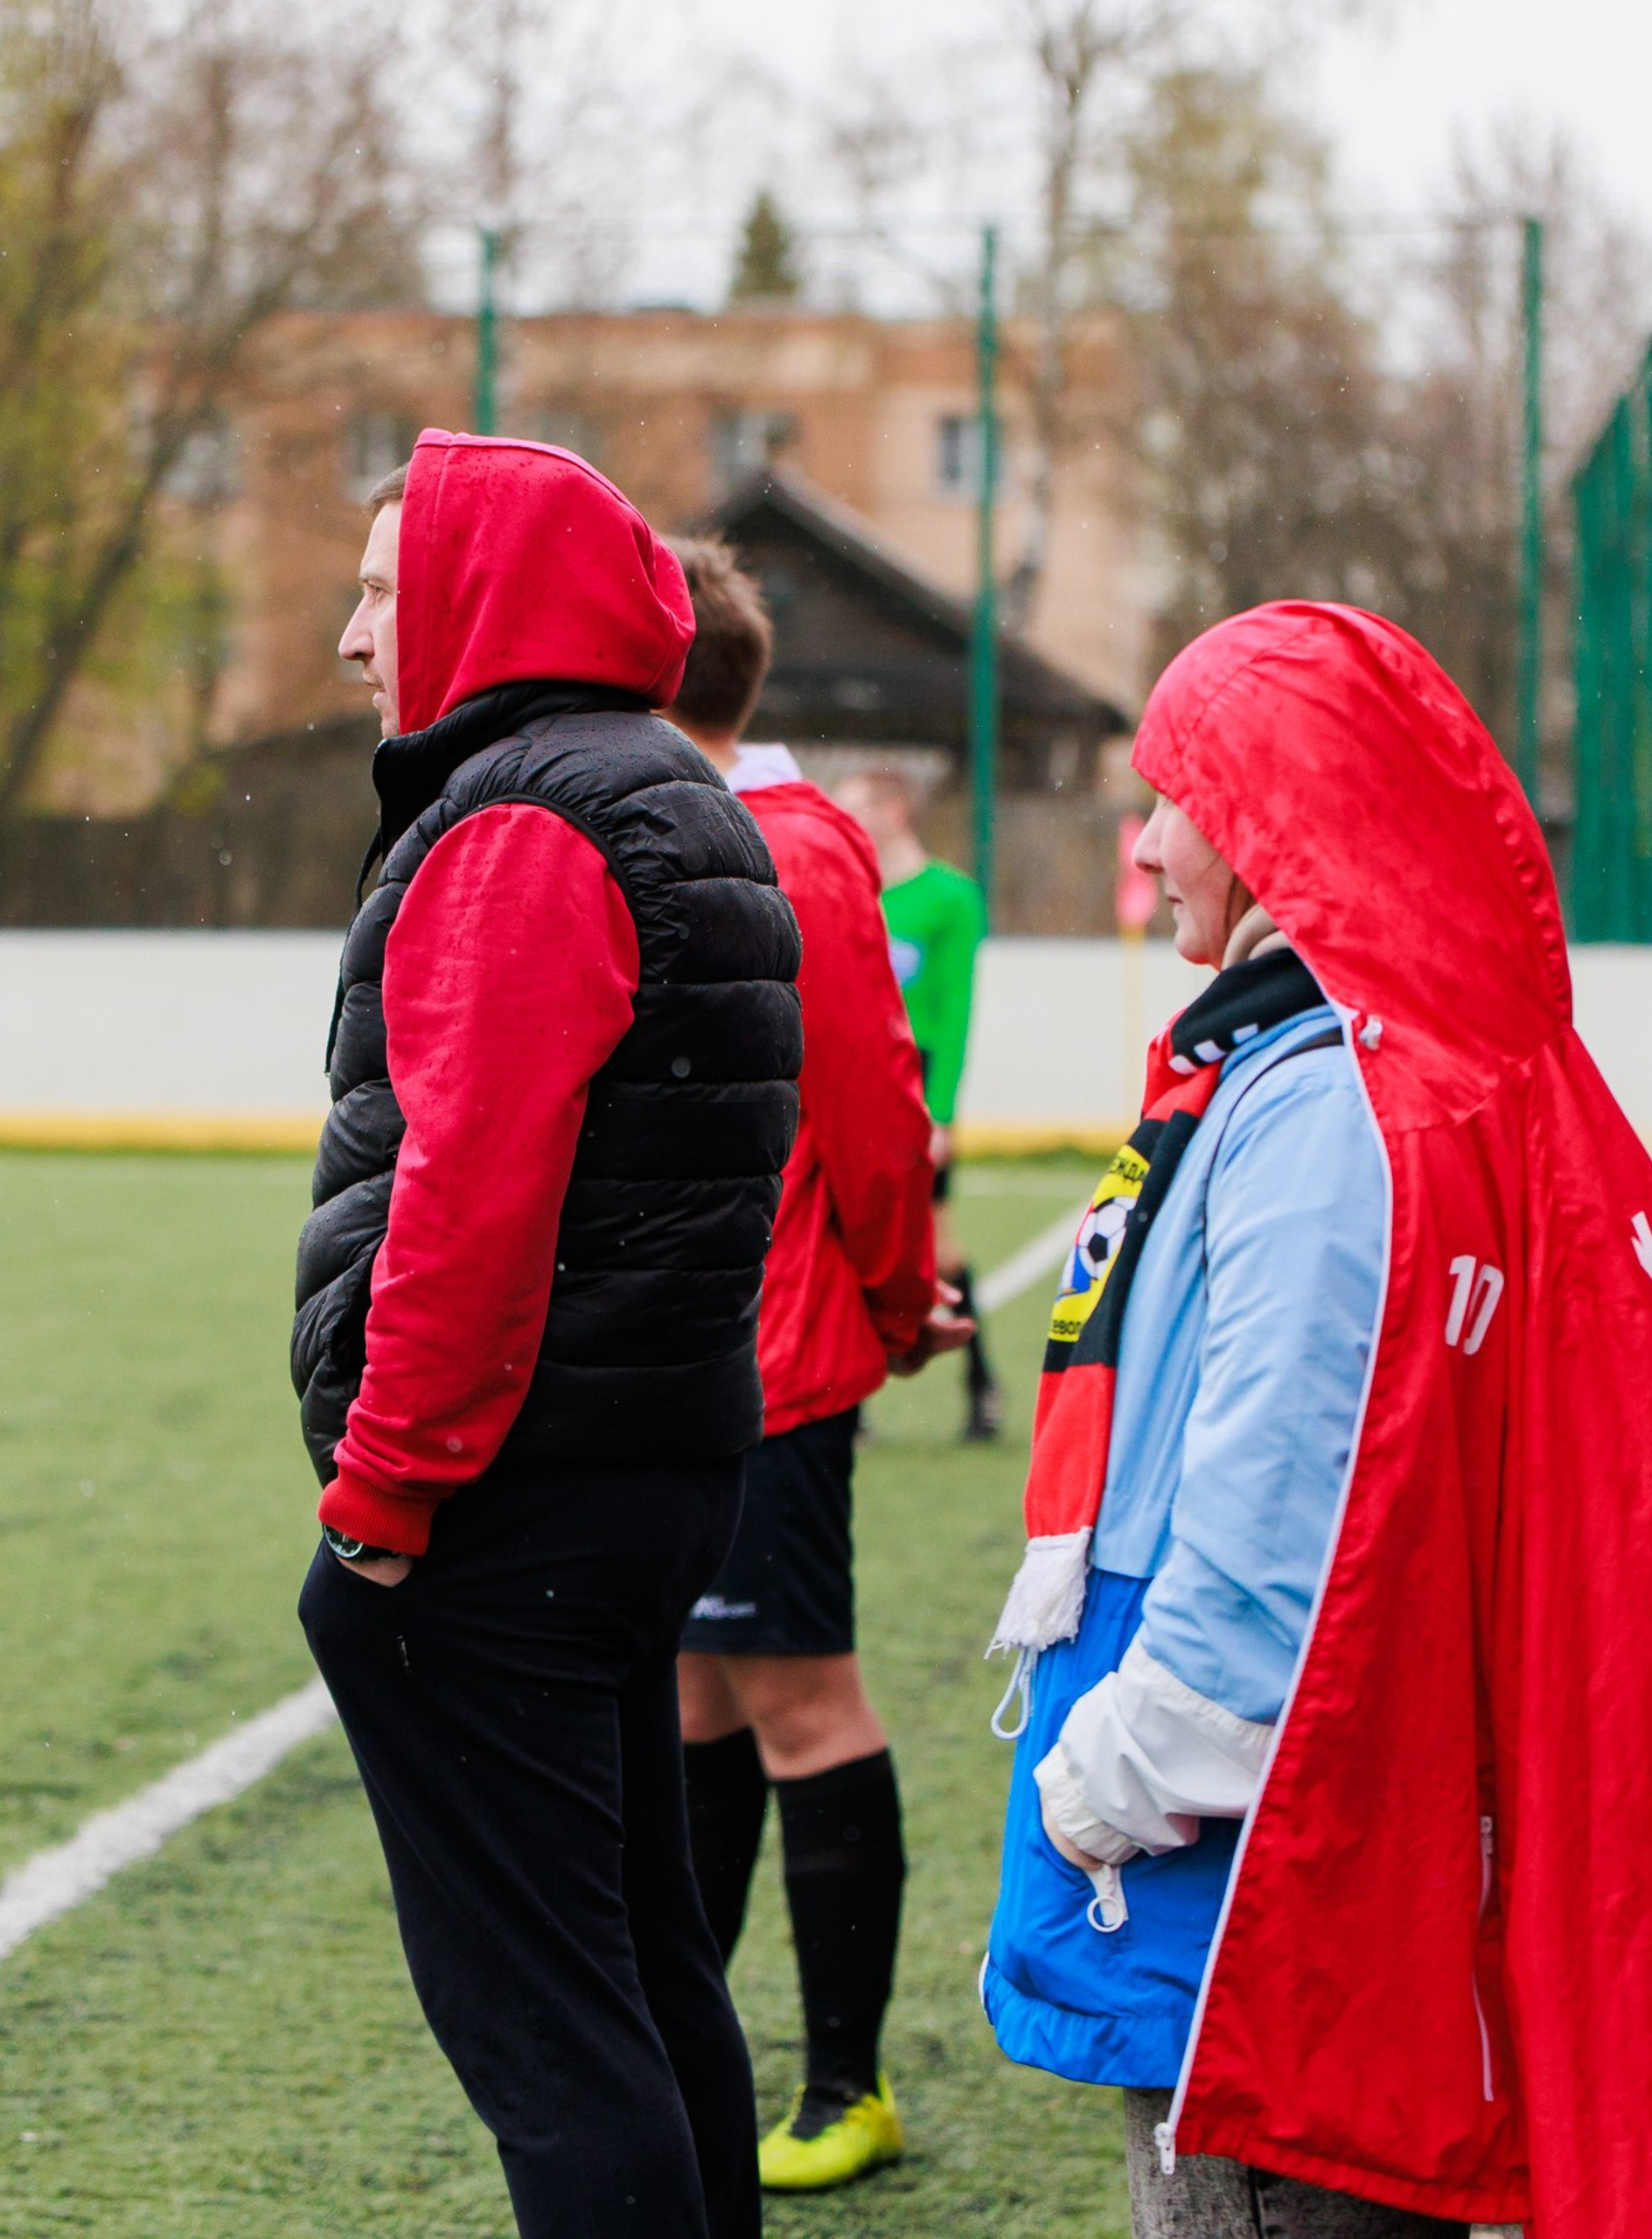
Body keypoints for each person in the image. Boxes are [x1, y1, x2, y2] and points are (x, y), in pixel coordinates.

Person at [980, 601, 1652, 2239]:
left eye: (1174, 799)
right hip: (1258, 1811)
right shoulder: (1322, 1064)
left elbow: (1296, 1466)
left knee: (1262, 2195)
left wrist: (1131, 1761)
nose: (1143, 848)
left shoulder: (1328, 1091)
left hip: (1248, 1841)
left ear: (1284, 818)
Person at [293, 434, 801, 2239]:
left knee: (551, 2020)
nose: (353, 637)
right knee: (643, 1962)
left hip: (506, 1496)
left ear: (474, 593)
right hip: (641, 1462)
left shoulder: (523, 819)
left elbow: (472, 1200)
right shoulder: (664, 790)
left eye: (376, 588)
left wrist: (379, 1506)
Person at [659, 535, 965, 2194]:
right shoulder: (663, 824)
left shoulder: (794, 849)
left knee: (796, 1700)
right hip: (677, 1368)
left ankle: (844, 2085)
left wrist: (904, 1308)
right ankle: (698, 2063)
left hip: (763, 1363)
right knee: (697, 1693)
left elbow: (871, 1107)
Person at [834, 767, 998, 1441]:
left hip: (916, 1078)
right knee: (843, 1235)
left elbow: (956, 1007)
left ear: (894, 810)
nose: (846, 825)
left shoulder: (951, 897)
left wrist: (941, 1110)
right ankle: (850, 1396)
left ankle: (982, 1387)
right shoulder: (847, 891)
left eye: (856, 810)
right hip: (856, 1080)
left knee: (941, 1244)